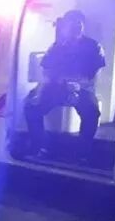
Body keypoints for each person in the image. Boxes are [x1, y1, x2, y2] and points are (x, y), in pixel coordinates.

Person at [24, 10, 105, 161]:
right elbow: (46, 71)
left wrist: (78, 85)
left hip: (83, 89)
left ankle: (83, 154)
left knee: (92, 113)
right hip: (57, 87)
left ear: (83, 26)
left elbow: (95, 77)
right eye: (72, 23)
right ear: (66, 26)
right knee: (31, 106)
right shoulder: (57, 46)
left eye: (79, 23)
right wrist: (45, 90)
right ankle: (39, 148)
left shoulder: (94, 46)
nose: (76, 26)